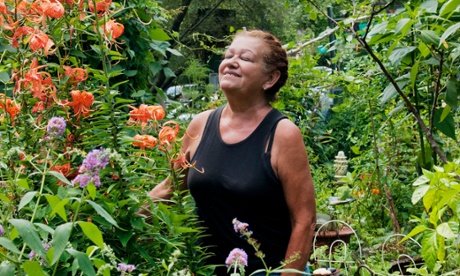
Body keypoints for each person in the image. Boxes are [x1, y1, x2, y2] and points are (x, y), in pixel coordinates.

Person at [142, 29, 316, 275]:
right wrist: (120, 217)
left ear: (270, 78)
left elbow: (304, 220)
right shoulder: (200, 124)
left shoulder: (282, 134)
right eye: (228, 55)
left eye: (245, 58)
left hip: (266, 272)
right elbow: (170, 187)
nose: (231, 62)